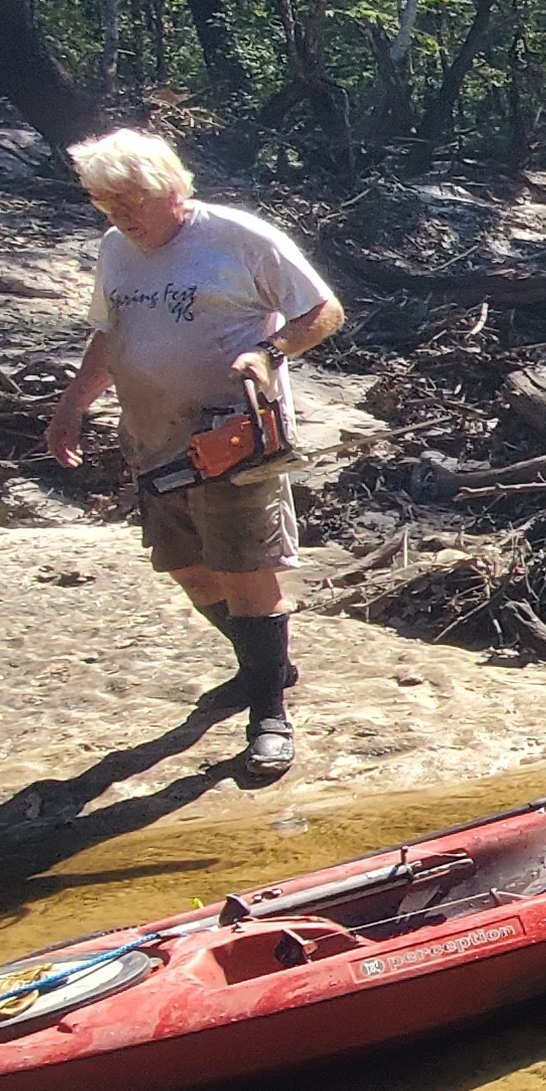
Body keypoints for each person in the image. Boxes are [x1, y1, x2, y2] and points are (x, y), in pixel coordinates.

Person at [41, 130, 346, 776]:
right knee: (188, 569)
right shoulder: (115, 249)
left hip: (234, 436)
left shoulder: (238, 237)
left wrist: (270, 354)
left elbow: (322, 310)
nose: (119, 214)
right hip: (153, 438)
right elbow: (108, 333)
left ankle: (269, 715)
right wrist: (73, 405)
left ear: (174, 187)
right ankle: (265, 665)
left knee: (247, 575)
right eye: (104, 202)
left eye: (130, 199)